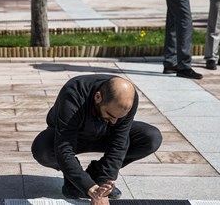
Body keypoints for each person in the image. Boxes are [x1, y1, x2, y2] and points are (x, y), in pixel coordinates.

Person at [31, 75, 162, 205]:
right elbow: (64, 148)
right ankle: (73, 181)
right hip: (75, 134)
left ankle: (96, 173)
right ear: (98, 97)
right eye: (110, 115)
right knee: (42, 149)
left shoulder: (128, 99)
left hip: (104, 134)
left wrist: (105, 182)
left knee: (151, 137)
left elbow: (119, 142)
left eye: (119, 118)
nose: (114, 121)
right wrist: (91, 189)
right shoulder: (73, 93)